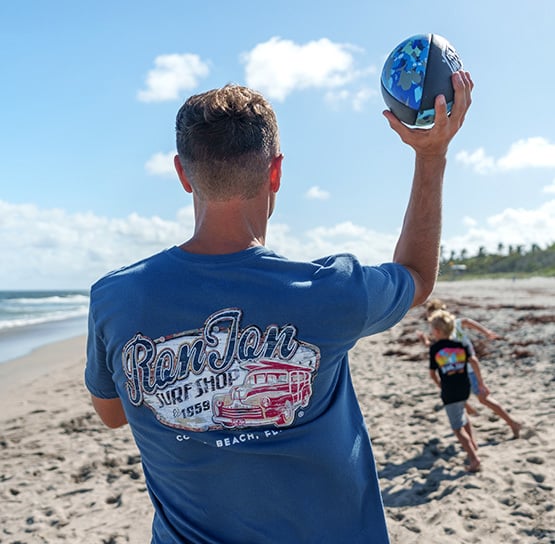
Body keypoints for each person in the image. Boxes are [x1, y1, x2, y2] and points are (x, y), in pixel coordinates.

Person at [85, 72, 473, 543]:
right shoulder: (331, 290)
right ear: (276, 172)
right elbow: (417, 276)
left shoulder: (115, 297)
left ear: (183, 173)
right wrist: (431, 156)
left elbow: (112, 412)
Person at [419, 298, 522, 438]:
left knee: (483, 398)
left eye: (432, 316)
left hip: (469, 369)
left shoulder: (457, 324)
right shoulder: (440, 334)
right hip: (455, 373)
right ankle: (472, 439)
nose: (431, 319)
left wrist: (487, 332)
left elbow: (469, 322)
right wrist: (425, 341)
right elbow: (437, 350)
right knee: (460, 402)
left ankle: (512, 423)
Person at [428, 309, 485, 472]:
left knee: (457, 428)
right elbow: (474, 361)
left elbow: (432, 373)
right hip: (464, 386)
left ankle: (474, 458)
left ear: (437, 331)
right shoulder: (461, 344)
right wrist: (481, 383)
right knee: (462, 414)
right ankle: (473, 443)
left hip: (449, 390)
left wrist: (440, 385)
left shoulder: (435, 349)